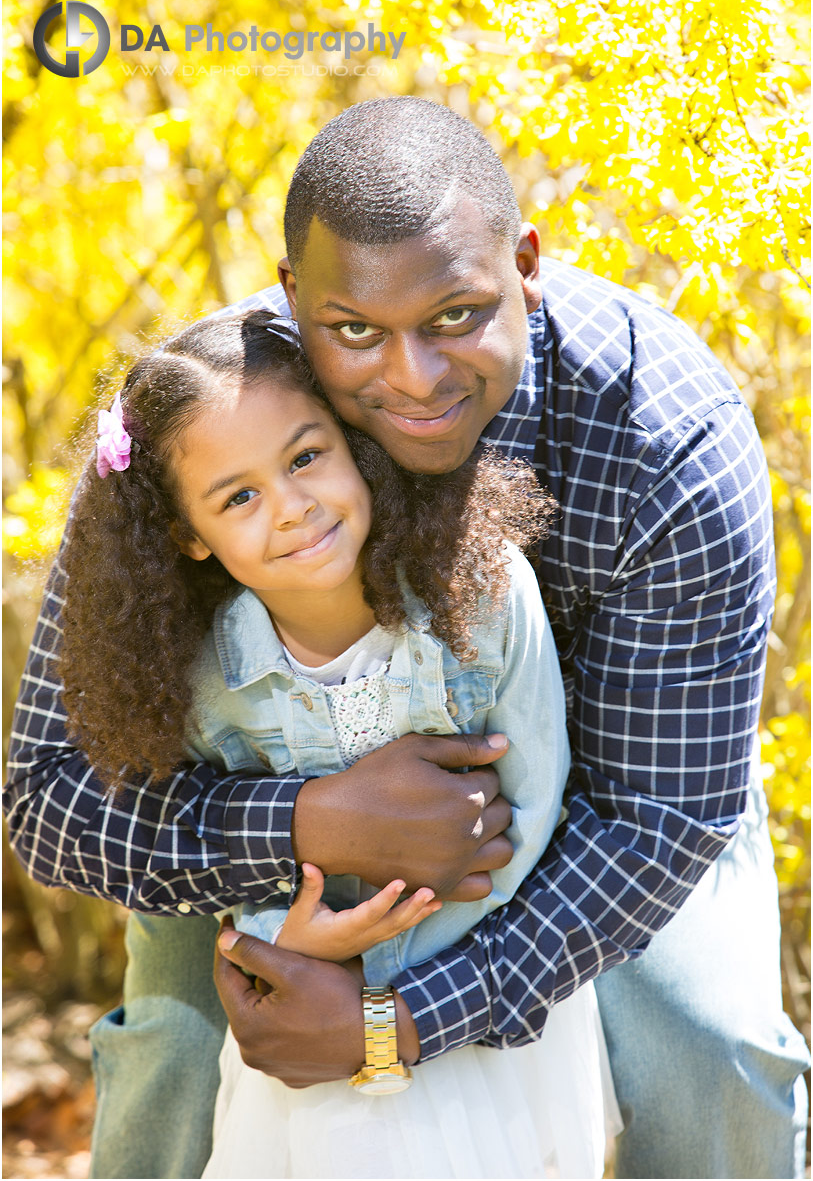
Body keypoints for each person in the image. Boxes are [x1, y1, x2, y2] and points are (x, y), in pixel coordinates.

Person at [5, 98, 808, 1180]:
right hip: (267, 811)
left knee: (713, 1053)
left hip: (609, 799)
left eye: (456, 316)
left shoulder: (669, 440)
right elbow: (50, 797)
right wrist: (307, 822)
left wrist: (393, 1018)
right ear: (294, 301)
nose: (414, 377)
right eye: (354, 332)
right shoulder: (218, 410)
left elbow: (662, 819)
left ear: (526, 263)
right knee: (177, 1047)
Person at [56, 308, 617, 1178]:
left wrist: (391, 995)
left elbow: (536, 803)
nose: (291, 507)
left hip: (471, 1004)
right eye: (238, 497)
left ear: (353, 443)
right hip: (305, 1007)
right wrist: (302, 958)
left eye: (305, 457)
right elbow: (233, 887)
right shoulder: (205, 680)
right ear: (190, 538)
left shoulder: (483, 595)